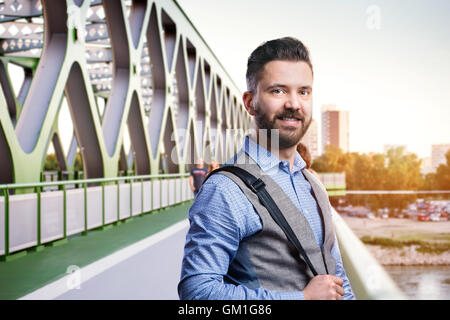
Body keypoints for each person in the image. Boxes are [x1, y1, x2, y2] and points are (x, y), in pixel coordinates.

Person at [178, 37, 354, 300]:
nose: (294, 103)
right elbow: (198, 295)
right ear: (249, 103)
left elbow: (336, 276)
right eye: (278, 91)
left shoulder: (314, 185)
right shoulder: (224, 190)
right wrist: (301, 299)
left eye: (303, 91)